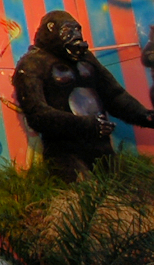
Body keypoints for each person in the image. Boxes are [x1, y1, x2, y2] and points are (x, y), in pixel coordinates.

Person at [11, 11, 154, 180]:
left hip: (100, 143)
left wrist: (144, 116)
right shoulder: (31, 64)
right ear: (51, 29)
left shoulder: (85, 57)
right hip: (64, 149)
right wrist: (88, 124)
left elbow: (114, 95)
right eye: (69, 31)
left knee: (117, 189)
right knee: (80, 189)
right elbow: (37, 115)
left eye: (78, 30)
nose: (77, 36)